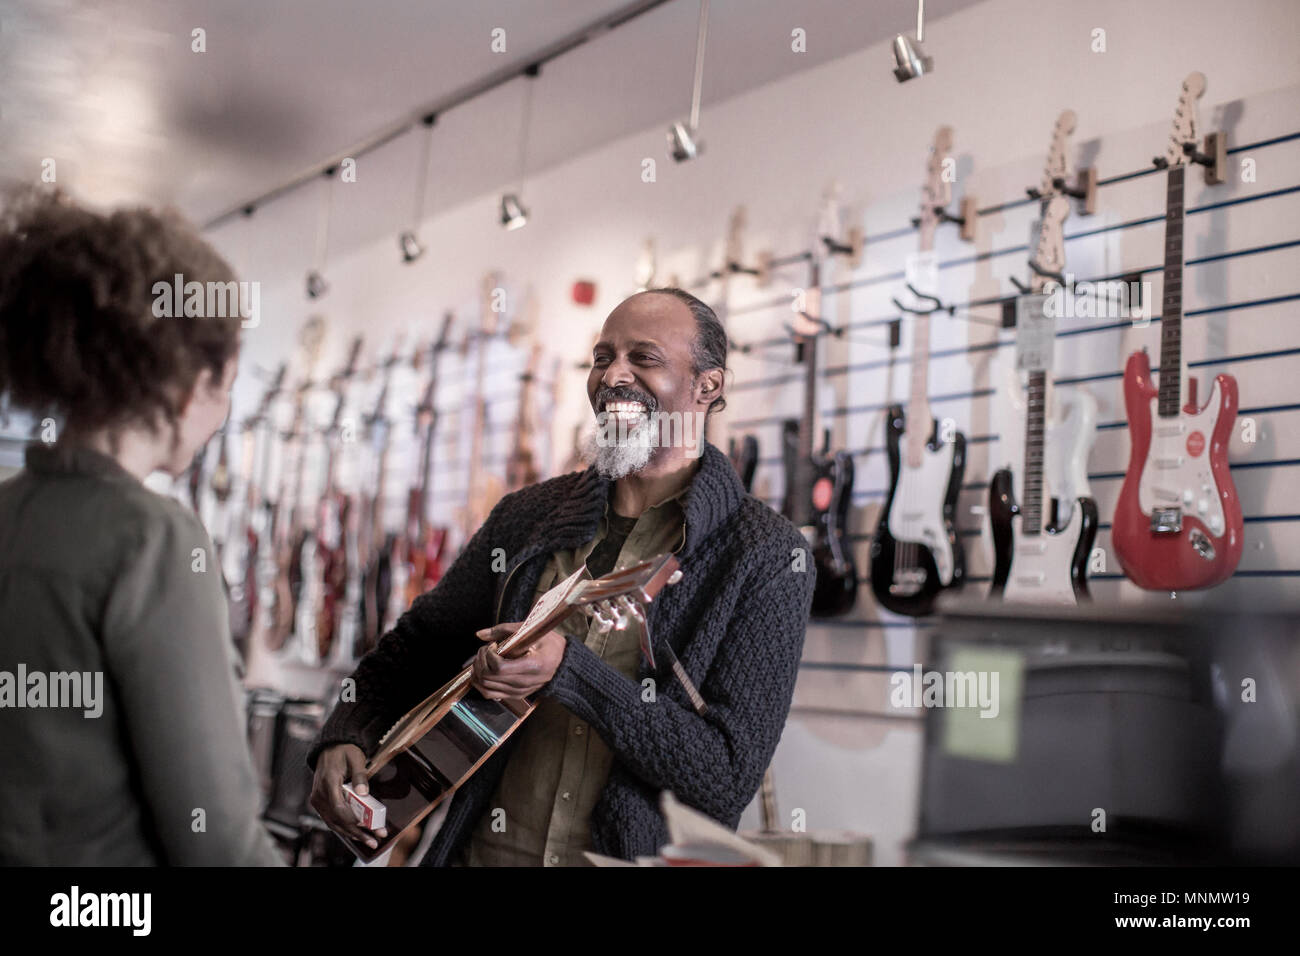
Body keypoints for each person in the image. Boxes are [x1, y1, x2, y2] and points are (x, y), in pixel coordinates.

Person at [309, 287, 815, 866]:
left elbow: (723, 777)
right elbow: (420, 645)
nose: (613, 376)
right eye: (603, 357)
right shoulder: (527, 517)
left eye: (643, 358)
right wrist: (347, 728)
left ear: (708, 386)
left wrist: (570, 673)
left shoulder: (767, 556)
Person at [0, 188, 283, 865]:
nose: (218, 413)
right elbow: (215, 836)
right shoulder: (154, 540)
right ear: (186, 382)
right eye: (225, 386)